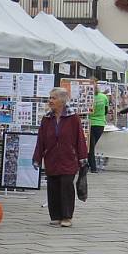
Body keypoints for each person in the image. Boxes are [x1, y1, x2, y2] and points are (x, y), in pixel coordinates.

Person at [32, 87, 88, 227]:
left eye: (53, 98)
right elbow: (41, 140)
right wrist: (37, 157)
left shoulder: (73, 118)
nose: (50, 101)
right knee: (53, 186)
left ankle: (67, 216)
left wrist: (83, 157)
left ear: (62, 101)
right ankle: (55, 215)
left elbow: (80, 139)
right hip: (51, 158)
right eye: (50, 98)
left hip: (68, 158)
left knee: (66, 186)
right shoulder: (46, 118)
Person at [88, 80, 108, 173]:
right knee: (92, 145)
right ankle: (91, 166)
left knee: (90, 146)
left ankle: (92, 167)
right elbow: (106, 111)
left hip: (90, 123)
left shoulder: (88, 97)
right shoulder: (104, 97)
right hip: (100, 124)